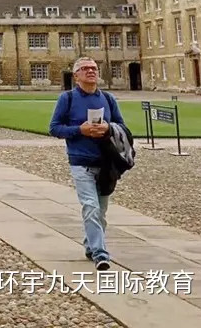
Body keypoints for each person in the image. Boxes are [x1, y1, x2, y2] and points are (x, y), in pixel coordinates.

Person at [48, 57, 126, 271]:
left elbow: (122, 126)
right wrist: (79, 130)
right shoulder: (68, 99)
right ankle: (101, 254)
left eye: (94, 68)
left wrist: (108, 128)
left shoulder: (108, 99)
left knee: (100, 212)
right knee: (90, 207)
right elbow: (54, 128)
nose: (91, 71)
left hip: (106, 162)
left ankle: (91, 246)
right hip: (80, 162)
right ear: (76, 76)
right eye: (85, 69)